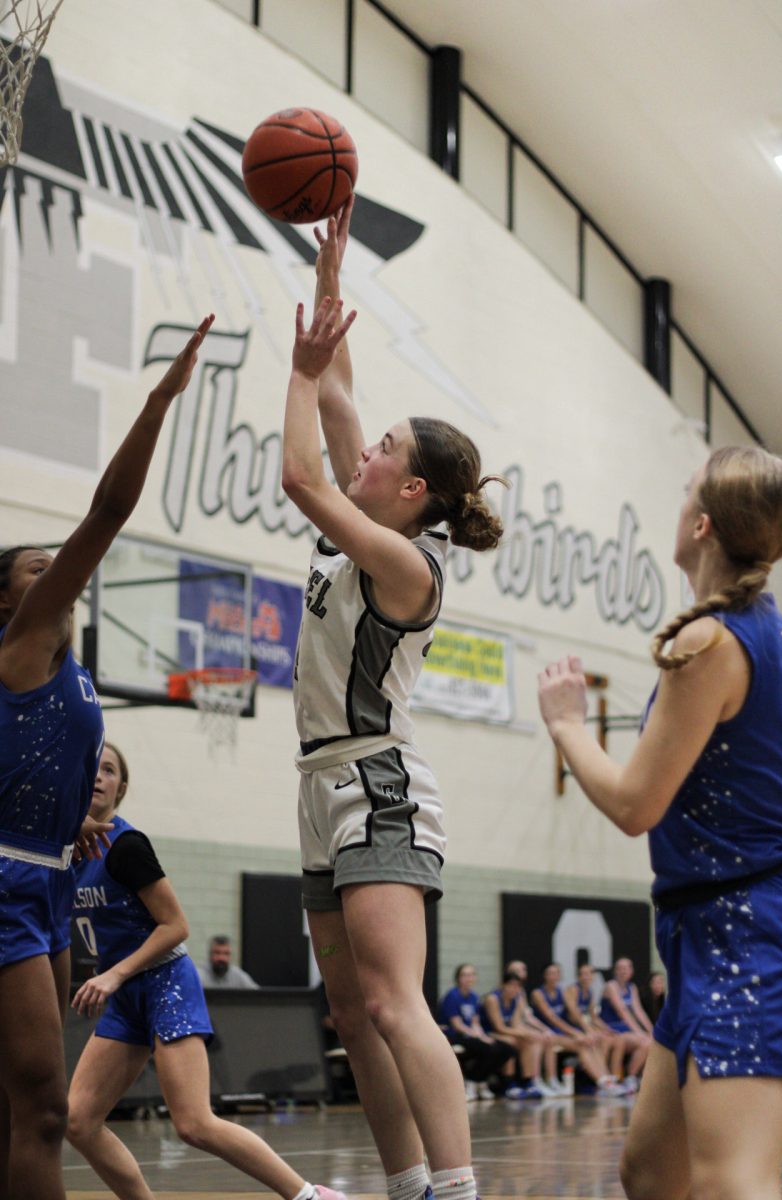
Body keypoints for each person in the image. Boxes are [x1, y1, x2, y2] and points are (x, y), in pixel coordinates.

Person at [282, 196, 504, 1200]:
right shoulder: (358, 529)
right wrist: (330, 297)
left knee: (392, 1000)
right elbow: (336, 406)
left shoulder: (403, 565)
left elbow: (298, 471)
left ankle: (454, 1191)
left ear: (410, 491)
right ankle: (407, 1182)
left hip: (377, 784)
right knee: (351, 1010)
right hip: (319, 787)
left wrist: (294, 370)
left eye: (381, 452)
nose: (363, 451)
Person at [537, 445, 782, 1199]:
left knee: (735, 1181)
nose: (678, 505)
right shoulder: (775, 634)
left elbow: (633, 805)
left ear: (705, 523)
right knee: (652, 1175)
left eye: (686, 493)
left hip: (743, 933)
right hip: (708, 931)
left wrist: (567, 727)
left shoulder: (710, 640)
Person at [0, 314, 213, 1200]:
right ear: (11, 600)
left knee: (17, 1113)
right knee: (48, 1112)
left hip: (45, 876)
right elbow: (110, 511)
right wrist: (160, 402)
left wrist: (76, 827)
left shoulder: (67, 671)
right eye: (34, 569)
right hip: (10, 883)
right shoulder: (23, 645)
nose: (54, 576)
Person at [67, 742, 346, 1200]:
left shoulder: (127, 846)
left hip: (164, 984)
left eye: (110, 770)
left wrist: (114, 974)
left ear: (122, 788)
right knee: (78, 1121)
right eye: (91, 767)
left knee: (194, 1124)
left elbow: (176, 927)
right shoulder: (64, 852)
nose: (99, 776)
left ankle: (309, 1195)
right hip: (124, 996)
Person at [531, 963, 626, 1096]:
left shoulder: (564, 991)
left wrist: (605, 1029)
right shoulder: (540, 993)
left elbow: (592, 1016)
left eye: (556, 973)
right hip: (548, 1033)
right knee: (584, 1043)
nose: (553, 976)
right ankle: (601, 1081)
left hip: (564, 1032)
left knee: (599, 1040)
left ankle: (607, 1078)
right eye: (550, 973)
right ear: (544, 976)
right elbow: (558, 1018)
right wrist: (579, 1032)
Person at [438, 964, 514, 1100]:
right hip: (455, 1036)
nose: (469, 978)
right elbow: (457, 1025)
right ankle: (472, 1081)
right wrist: (478, 1037)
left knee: (506, 1049)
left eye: (472, 974)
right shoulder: (452, 996)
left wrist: (483, 1036)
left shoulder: (474, 997)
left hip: (471, 1036)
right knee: (487, 1048)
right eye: (465, 975)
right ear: (458, 978)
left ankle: (480, 1080)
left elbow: (475, 1023)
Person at [481, 971, 554, 1099]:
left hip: (505, 1032)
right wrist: (523, 1033)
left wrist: (528, 1033)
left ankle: (528, 1081)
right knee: (512, 1042)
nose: (515, 989)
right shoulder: (492, 999)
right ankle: (509, 1083)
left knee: (529, 1041)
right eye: (512, 985)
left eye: (518, 986)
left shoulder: (515, 999)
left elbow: (515, 1025)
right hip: (487, 1033)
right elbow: (499, 1027)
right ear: (503, 985)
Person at [597, 958, 652, 1092]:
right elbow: (622, 1011)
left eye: (626, 968)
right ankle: (621, 1078)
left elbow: (638, 1011)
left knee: (649, 1042)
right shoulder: (611, 986)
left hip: (625, 1028)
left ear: (631, 971)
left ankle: (632, 1077)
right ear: (615, 971)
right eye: (620, 968)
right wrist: (639, 1032)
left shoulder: (631, 987)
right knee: (638, 1042)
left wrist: (652, 1030)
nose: (623, 971)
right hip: (611, 1028)